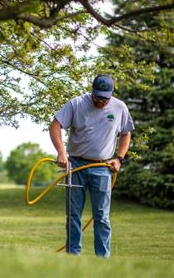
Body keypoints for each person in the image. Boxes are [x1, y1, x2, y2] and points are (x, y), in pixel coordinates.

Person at [49, 74, 134, 258]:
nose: (101, 101)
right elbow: (55, 125)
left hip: (102, 168)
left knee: (102, 217)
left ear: (111, 94)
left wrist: (119, 158)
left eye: (105, 98)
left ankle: (102, 260)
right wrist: (62, 153)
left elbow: (126, 133)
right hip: (76, 166)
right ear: (92, 91)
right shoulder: (77, 104)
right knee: (73, 216)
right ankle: (73, 258)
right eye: (97, 97)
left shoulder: (120, 107)